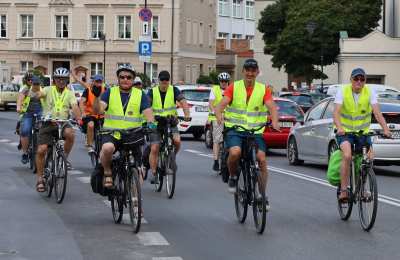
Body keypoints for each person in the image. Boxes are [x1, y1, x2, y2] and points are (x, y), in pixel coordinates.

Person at [215, 59, 280, 209]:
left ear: (257, 72)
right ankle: (232, 176)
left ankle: (262, 196)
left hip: (255, 132)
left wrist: (275, 122)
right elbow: (221, 105)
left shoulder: (263, 89)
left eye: (253, 70)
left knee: (262, 159)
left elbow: (272, 108)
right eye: (247, 70)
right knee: (235, 152)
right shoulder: (234, 87)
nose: (250, 73)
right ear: (243, 71)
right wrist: (219, 115)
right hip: (235, 130)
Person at [333, 68, 391, 202]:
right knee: (347, 155)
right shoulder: (343, 91)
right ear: (351, 80)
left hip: (362, 133)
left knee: (369, 159)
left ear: (365, 81)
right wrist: (340, 127)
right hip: (345, 133)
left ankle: (362, 189)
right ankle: (343, 190)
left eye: (362, 79)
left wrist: (386, 129)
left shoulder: (370, 92)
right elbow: (336, 112)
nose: (359, 82)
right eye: (356, 79)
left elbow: (377, 113)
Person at [93, 64, 155, 188]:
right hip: (112, 133)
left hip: (134, 134)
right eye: (122, 77)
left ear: (133, 79)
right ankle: (107, 171)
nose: (125, 79)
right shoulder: (110, 92)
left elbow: (148, 113)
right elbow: (99, 111)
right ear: (118, 79)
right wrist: (96, 98)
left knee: (139, 169)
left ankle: (135, 198)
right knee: (107, 149)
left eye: (128, 77)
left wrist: (151, 125)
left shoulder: (140, 94)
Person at [35, 67, 82, 192]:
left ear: (67, 80)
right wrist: (36, 91)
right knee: (41, 150)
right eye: (58, 78)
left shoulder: (70, 93)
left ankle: (64, 158)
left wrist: (79, 119)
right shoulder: (47, 90)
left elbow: (75, 107)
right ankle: (40, 179)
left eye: (64, 79)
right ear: (54, 80)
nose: (61, 81)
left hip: (63, 123)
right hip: (48, 123)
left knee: (70, 133)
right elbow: (39, 94)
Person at [147, 70, 191, 184]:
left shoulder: (174, 90)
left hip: (170, 122)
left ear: (169, 81)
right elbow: (146, 105)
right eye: (162, 81)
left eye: (166, 81)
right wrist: (149, 119)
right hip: (156, 123)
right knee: (155, 148)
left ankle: (171, 158)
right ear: (159, 81)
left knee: (177, 141)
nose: (164, 83)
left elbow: (183, 101)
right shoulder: (152, 92)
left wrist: (187, 114)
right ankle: (154, 173)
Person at [73, 72, 106, 153]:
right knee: (90, 125)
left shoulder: (105, 90)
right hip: (90, 114)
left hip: (101, 114)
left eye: (100, 82)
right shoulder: (88, 90)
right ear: (93, 82)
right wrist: (82, 112)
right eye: (97, 81)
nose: (98, 83)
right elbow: (81, 102)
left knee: (108, 128)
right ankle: (90, 145)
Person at [16, 75, 43, 164]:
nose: (36, 85)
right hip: (27, 113)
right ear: (31, 83)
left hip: (40, 113)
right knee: (25, 130)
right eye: (34, 83)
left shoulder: (43, 90)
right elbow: (20, 98)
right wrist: (19, 107)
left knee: (43, 130)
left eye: (37, 84)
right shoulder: (26, 90)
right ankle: (25, 153)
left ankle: (44, 151)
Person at [208, 72, 230, 171]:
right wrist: (215, 113)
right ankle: (216, 161)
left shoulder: (231, 89)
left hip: (229, 118)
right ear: (219, 81)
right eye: (222, 81)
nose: (224, 83)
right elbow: (211, 104)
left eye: (225, 81)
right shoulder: (214, 89)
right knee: (217, 140)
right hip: (217, 117)